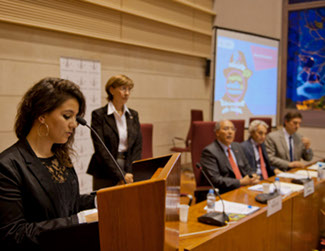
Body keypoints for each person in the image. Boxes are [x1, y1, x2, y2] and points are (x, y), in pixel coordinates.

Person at [0, 78, 96, 251]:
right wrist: (79, 221)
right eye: (67, 116)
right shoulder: (8, 166)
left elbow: (68, 204)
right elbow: (15, 234)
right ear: (42, 115)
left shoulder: (60, 156)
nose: (74, 124)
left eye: (76, 117)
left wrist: (101, 201)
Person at [87, 75, 142, 190]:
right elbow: (101, 149)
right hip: (105, 170)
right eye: (123, 88)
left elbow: (137, 146)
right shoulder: (99, 115)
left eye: (129, 89)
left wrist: (130, 172)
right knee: (105, 204)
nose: (127, 93)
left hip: (128, 168)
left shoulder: (133, 115)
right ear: (111, 90)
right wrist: (120, 174)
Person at [199, 120, 259, 194]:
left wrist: (253, 176)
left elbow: (247, 168)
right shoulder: (209, 152)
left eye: (232, 129)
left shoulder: (237, 146)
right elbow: (215, 179)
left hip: (245, 189)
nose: (230, 132)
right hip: (225, 192)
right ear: (217, 132)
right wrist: (240, 182)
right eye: (226, 129)